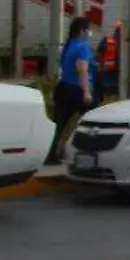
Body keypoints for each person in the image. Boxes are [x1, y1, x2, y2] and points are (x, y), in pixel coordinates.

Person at [45, 17, 96, 166]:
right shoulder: (83, 47)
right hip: (76, 90)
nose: (90, 32)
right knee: (92, 120)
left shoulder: (68, 45)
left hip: (63, 88)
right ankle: (87, 152)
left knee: (59, 124)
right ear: (82, 31)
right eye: (88, 29)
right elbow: (82, 70)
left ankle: (52, 154)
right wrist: (86, 91)